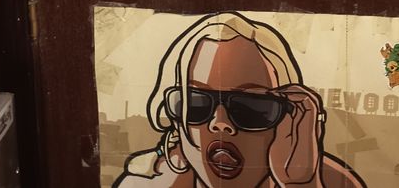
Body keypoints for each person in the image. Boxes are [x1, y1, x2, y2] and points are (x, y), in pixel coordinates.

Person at [113, 12, 365, 188]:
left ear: (290, 117)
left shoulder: (335, 183)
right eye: (197, 104)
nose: (220, 124)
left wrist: (300, 185)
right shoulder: (148, 183)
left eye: (251, 108)